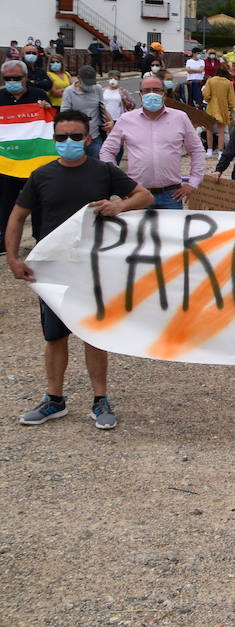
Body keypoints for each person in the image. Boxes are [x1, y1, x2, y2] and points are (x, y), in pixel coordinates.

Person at [8, 109, 153, 429]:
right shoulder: (41, 175)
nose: (69, 142)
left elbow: (144, 195)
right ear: (54, 139)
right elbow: (17, 217)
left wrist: (119, 206)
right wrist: (13, 258)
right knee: (55, 336)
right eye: (62, 137)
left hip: (94, 269)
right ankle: (54, 399)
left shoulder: (103, 171)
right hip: (53, 270)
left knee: (93, 334)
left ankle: (100, 400)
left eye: (75, 137)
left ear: (88, 139)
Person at [100, 75, 205, 209]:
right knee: (138, 230)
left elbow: (196, 150)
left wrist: (193, 183)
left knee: (170, 230)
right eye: (146, 90)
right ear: (140, 94)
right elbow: (107, 151)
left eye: (156, 90)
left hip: (171, 194)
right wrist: (119, 181)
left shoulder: (180, 117)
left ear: (164, 94)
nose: (151, 94)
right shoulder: (126, 119)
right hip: (138, 194)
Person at [0, 60, 53, 256]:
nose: (12, 81)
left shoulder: (38, 96)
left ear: (25, 78)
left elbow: (52, 122)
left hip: (34, 162)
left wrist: (47, 108)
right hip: (7, 164)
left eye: (16, 78)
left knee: (39, 203)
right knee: (6, 203)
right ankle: (5, 242)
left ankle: (40, 240)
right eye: (8, 79)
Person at [59, 66, 113, 160]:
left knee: (97, 163)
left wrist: (110, 121)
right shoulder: (69, 92)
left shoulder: (97, 89)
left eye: (91, 83)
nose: (90, 86)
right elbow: (64, 115)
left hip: (94, 136)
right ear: (79, 78)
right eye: (87, 83)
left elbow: (102, 108)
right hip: (76, 137)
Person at [203, 66, 235, 159]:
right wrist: (231, 108)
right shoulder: (228, 83)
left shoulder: (210, 81)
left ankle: (209, 150)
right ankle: (221, 152)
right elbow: (231, 99)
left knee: (209, 130)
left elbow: (206, 95)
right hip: (223, 108)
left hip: (211, 108)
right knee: (221, 131)